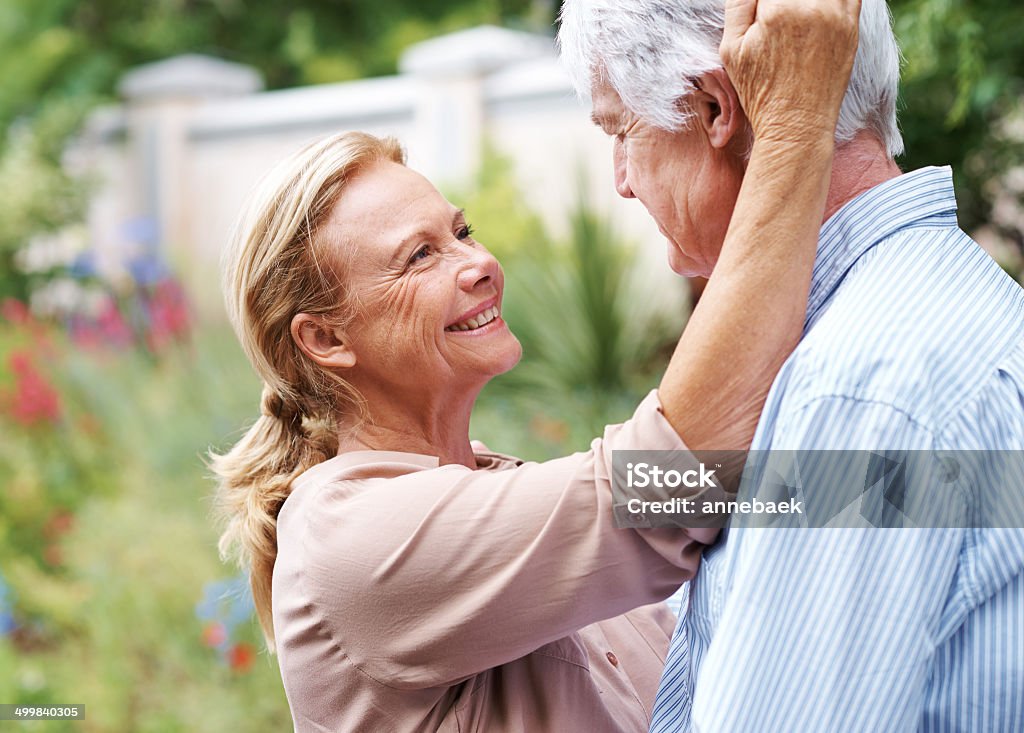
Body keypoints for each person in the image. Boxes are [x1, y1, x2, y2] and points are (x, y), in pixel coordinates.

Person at [209, 1, 862, 730]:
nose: (480, 264)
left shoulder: (492, 486)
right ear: (326, 340)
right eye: (420, 256)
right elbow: (667, 487)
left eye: (461, 232)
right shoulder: (349, 539)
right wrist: (797, 117)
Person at [558, 0, 1024, 731]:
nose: (621, 178)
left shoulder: (855, 390)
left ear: (716, 106)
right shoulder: (929, 311)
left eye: (621, 130)